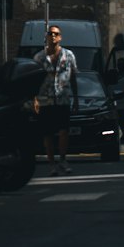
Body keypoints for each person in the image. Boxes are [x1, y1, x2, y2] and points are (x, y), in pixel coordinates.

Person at [34, 24, 79, 176]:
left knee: (64, 131)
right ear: (46, 37)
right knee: (47, 133)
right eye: (50, 33)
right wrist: (34, 99)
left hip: (63, 98)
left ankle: (63, 160)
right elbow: (34, 80)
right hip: (45, 100)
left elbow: (73, 78)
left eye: (56, 34)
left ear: (60, 37)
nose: (53, 36)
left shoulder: (69, 55)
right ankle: (52, 163)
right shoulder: (39, 57)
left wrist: (76, 99)